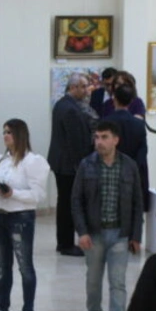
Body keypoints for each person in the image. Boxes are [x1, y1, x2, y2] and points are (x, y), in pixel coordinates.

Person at [72, 120, 145, 311]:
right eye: (97, 137)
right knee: (93, 280)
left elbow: (137, 202)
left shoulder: (129, 166)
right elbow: (76, 200)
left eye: (104, 137)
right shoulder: (87, 165)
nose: (99, 142)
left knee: (118, 282)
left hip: (120, 235)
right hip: (94, 234)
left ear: (115, 140)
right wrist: (82, 231)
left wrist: (135, 235)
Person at [0, 119, 50, 311]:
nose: (5, 136)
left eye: (9, 132)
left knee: (24, 265)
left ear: (20, 135)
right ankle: (2, 308)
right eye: (4, 132)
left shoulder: (32, 161)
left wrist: (13, 194)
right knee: (3, 265)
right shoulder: (0, 160)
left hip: (20, 218)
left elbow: (37, 195)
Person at [48, 72, 96, 256]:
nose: (86, 90)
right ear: (73, 87)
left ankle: (64, 241)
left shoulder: (63, 104)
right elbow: (75, 141)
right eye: (83, 87)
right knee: (68, 204)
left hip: (62, 162)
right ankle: (66, 243)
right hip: (68, 165)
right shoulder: (70, 109)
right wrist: (82, 165)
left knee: (65, 203)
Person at [109, 84, 150, 212]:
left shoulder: (106, 123)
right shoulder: (138, 125)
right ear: (131, 101)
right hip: (132, 176)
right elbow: (142, 154)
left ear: (114, 99)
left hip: (111, 176)